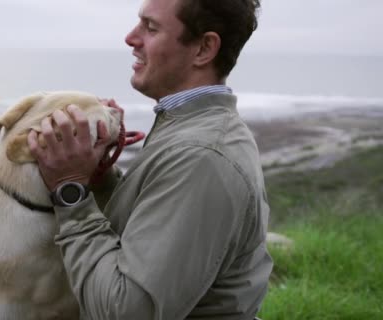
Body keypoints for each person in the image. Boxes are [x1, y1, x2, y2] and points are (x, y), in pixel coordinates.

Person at [27, 0, 272, 318]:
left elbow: (126, 310)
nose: (130, 38)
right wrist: (100, 177)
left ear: (204, 49)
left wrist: (70, 189)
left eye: (151, 27)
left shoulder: (201, 156)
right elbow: (149, 221)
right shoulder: (188, 127)